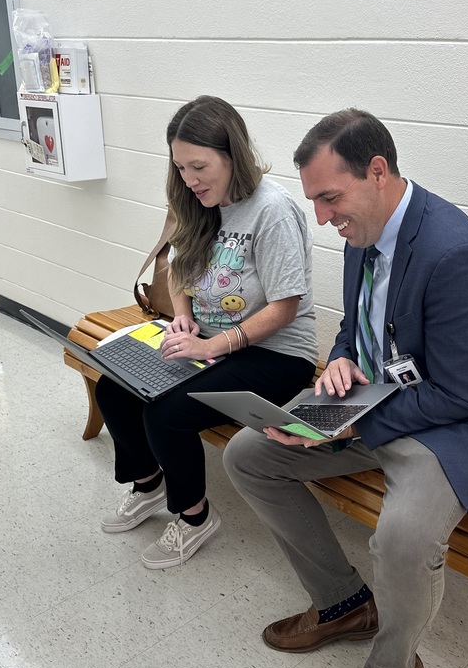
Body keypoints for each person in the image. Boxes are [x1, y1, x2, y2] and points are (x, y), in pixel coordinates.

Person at [223, 109, 468, 668]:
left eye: (329, 198)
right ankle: (342, 604)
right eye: (314, 202)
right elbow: (357, 329)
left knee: (403, 535)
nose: (322, 218)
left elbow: (461, 393)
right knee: (250, 455)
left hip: (454, 423)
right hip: (375, 395)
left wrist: (341, 425)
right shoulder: (362, 229)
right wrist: (338, 361)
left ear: (379, 172)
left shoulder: (455, 252)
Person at [96, 96, 317, 569]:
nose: (189, 179)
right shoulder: (198, 202)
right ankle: (148, 483)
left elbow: (284, 307)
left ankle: (195, 518)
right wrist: (182, 315)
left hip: (276, 355)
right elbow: (178, 269)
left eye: (199, 166)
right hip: (209, 344)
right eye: (180, 167)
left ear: (232, 155)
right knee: (115, 389)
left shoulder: (272, 211)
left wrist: (210, 345)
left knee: (166, 414)